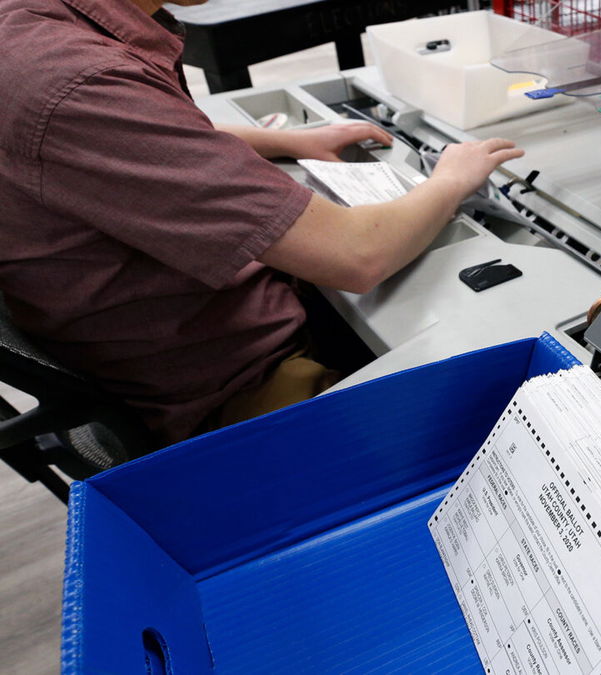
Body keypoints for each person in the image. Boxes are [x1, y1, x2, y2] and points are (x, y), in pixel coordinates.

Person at [0, 0, 524, 446]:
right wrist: (451, 179)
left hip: (170, 346)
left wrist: (287, 141)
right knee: (516, 399)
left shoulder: (30, 33)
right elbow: (356, 257)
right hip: (239, 392)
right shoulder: (74, 81)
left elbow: (143, 136)